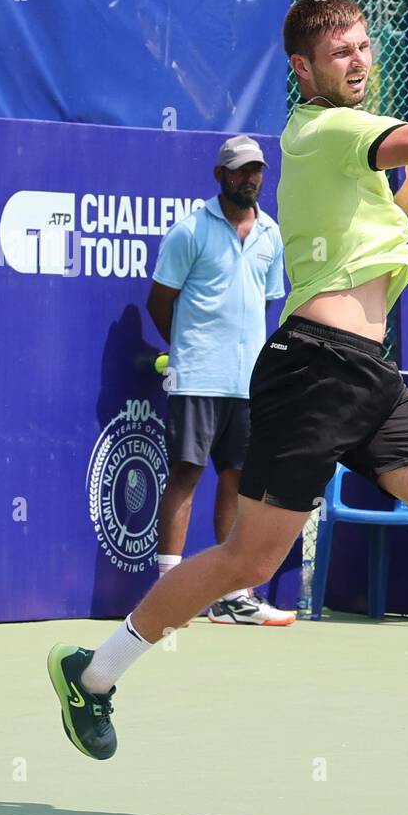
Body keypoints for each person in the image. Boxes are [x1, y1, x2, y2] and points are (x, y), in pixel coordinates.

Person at [48, 0, 408, 770]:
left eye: (363, 47)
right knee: (248, 561)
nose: (358, 60)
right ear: (302, 69)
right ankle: (94, 674)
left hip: (368, 376)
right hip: (313, 368)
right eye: (340, 52)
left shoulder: (353, 159)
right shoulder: (325, 130)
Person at [146, 134, 294, 627]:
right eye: (238, 171)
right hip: (197, 377)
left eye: (255, 171)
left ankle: (234, 598)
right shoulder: (190, 232)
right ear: (220, 176)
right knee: (186, 475)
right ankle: (169, 594)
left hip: (247, 383)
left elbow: (266, 303)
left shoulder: (272, 236)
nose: (248, 178)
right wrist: (189, 350)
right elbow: (160, 301)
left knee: (237, 481)